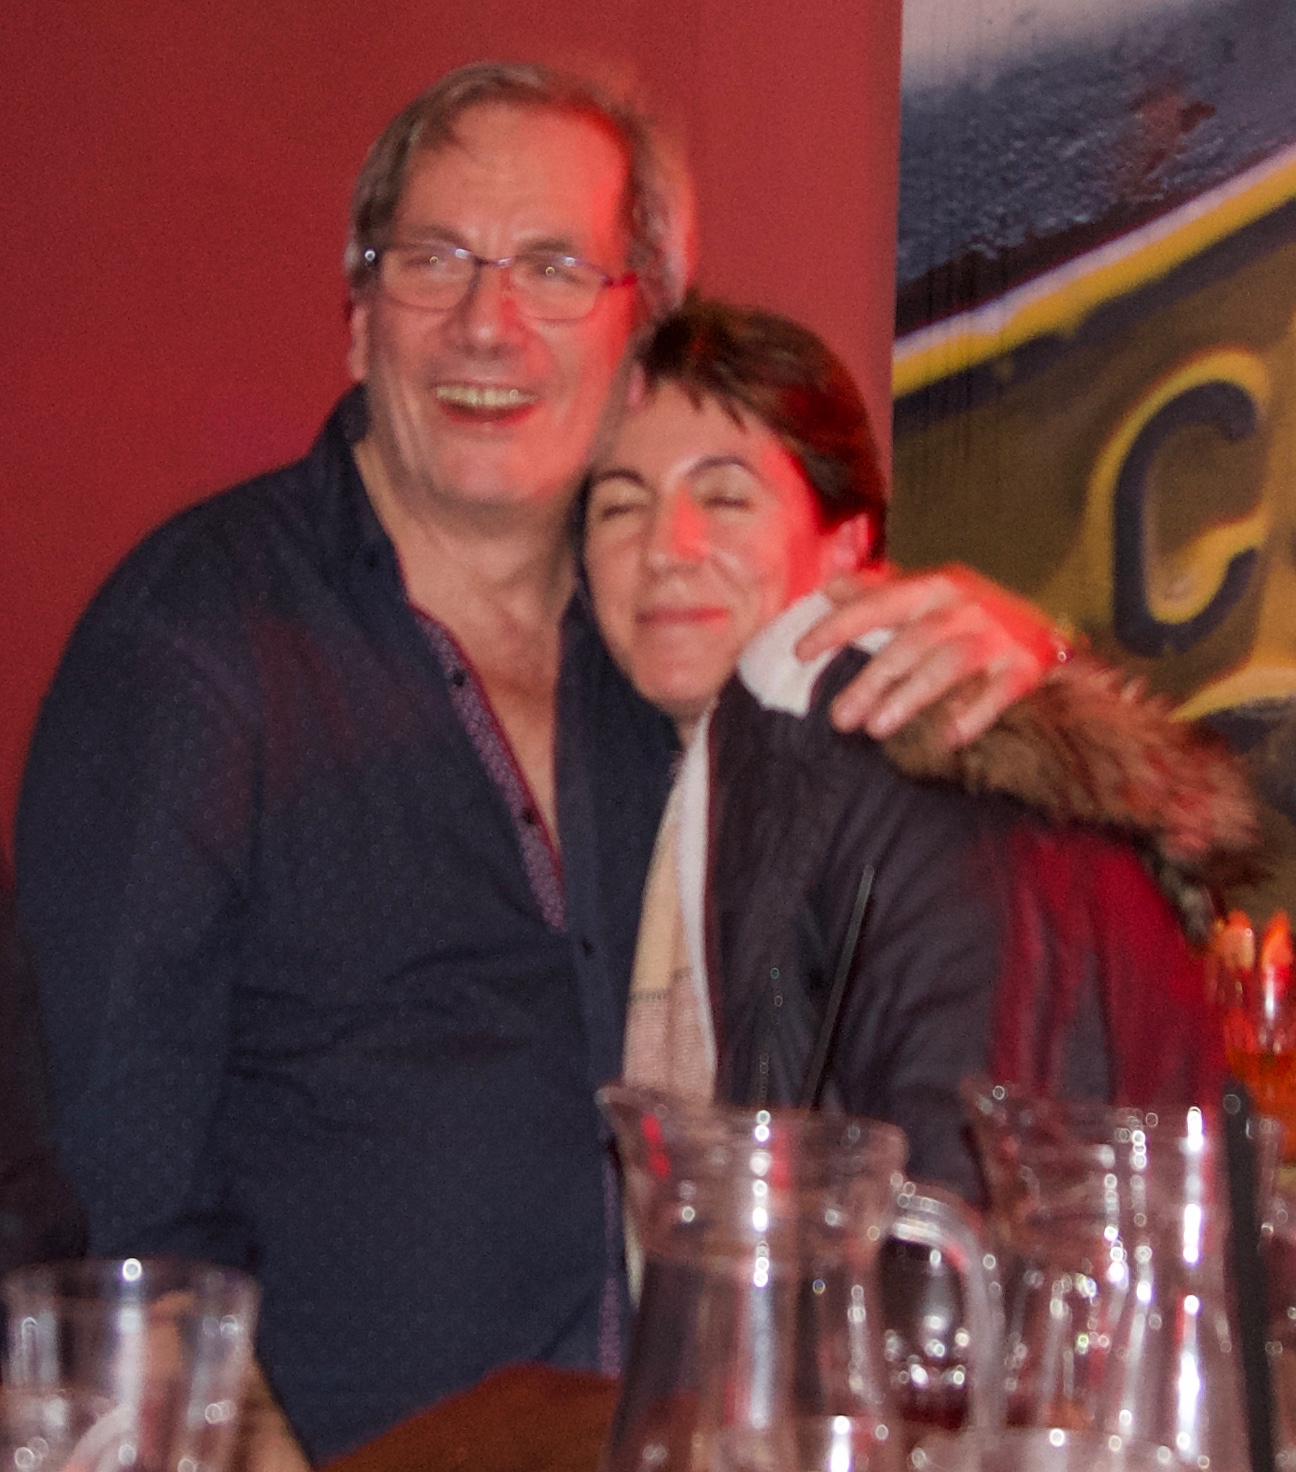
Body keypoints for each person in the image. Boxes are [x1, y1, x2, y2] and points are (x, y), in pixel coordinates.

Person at [18, 65, 1076, 1460]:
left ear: (641, 346)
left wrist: (1028, 650)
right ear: (358, 320)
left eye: (554, 269)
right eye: (433, 259)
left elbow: (860, 682)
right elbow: (108, 1191)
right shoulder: (196, 646)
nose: (487, 322)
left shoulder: (669, 646)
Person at [583, 298, 1255, 1192]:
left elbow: (979, 1204)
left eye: (725, 496)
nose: (667, 548)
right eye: (620, 507)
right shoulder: (680, 784)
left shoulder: (905, 769)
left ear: (847, 546)